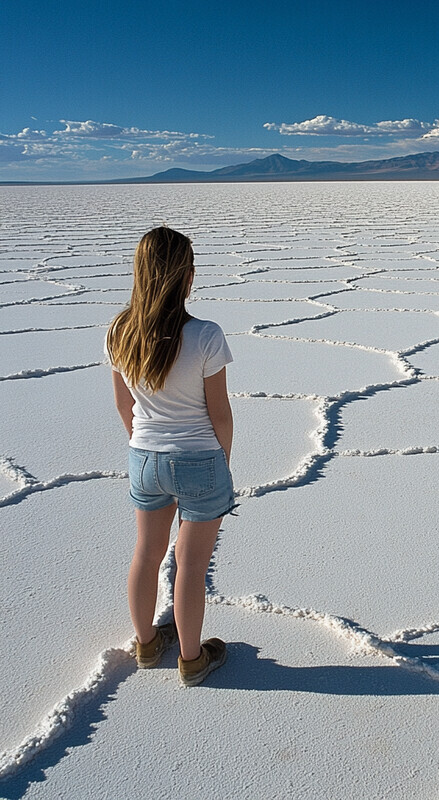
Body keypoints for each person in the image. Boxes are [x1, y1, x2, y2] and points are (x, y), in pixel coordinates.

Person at [105, 226, 235, 687]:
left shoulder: (120, 331)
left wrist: (145, 447)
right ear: (187, 276)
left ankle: (145, 645)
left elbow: (126, 405)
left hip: (143, 457)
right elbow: (219, 413)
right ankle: (192, 659)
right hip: (199, 459)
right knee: (191, 566)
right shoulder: (205, 336)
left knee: (147, 552)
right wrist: (222, 461)